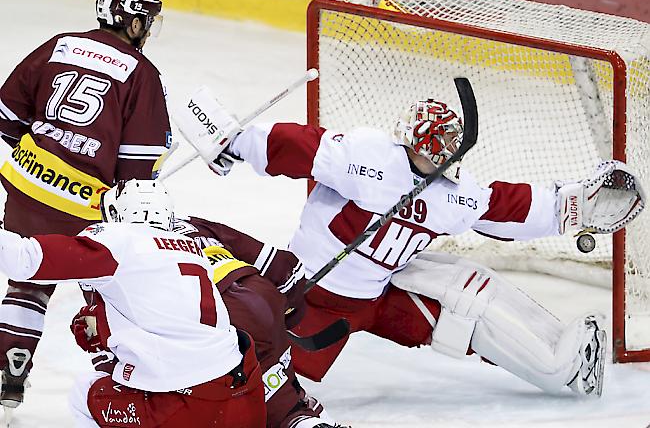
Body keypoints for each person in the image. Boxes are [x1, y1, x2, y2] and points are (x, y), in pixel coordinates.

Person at [172, 88, 645, 399]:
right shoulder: (369, 158)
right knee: (261, 381)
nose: (432, 157)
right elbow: (302, 148)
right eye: (427, 149)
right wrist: (237, 142)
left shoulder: (450, 194)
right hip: (312, 296)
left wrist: (570, 207)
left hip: (377, 296)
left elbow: (503, 208)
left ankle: (562, 365)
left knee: (466, 299)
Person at [0, 0, 172, 409]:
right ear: (132, 22)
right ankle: (123, 387)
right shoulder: (142, 72)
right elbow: (137, 169)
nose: (148, 30)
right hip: (86, 208)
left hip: (25, 188)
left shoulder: (60, 45)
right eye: (146, 22)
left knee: (28, 284)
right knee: (108, 294)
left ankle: (9, 370)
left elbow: (6, 115)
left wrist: (44, 154)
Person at [0, 179, 266, 427]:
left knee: (86, 392)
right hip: (247, 394)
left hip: (187, 405)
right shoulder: (190, 247)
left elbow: (24, 260)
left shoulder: (118, 240)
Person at [172, 214, 348, 428]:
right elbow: (285, 267)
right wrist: (288, 315)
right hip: (259, 296)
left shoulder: (127, 247)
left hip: (216, 317)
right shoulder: (190, 223)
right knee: (283, 395)